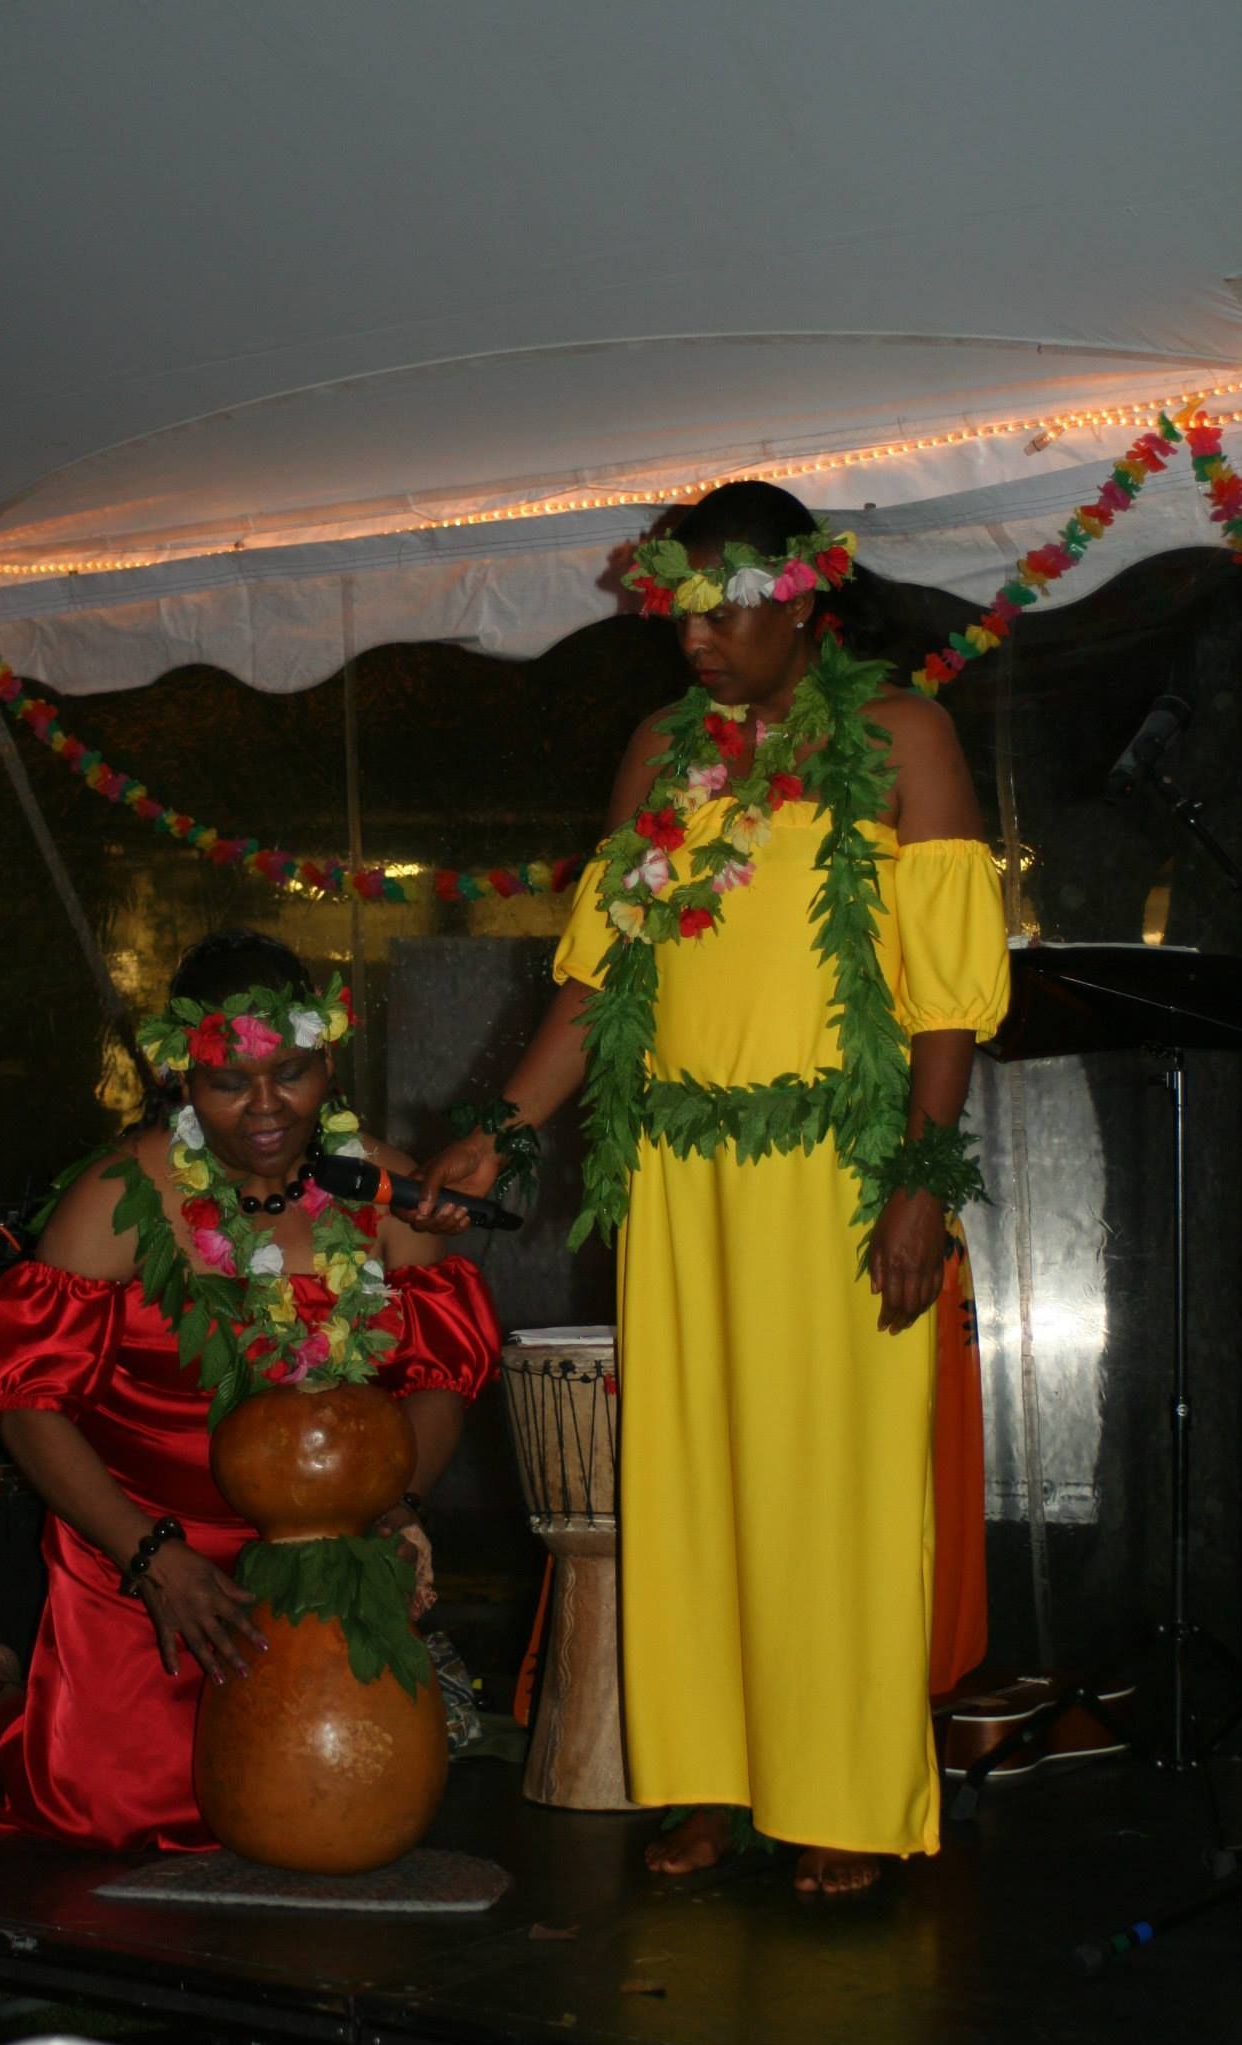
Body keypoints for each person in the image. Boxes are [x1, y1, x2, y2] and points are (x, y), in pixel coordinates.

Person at [416, 483, 1009, 1895]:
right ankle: (710, 1775)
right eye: (676, 610)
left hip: (839, 1166)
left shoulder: (901, 736)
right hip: (681, 1170)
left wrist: (916, 1185)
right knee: (688, 1483)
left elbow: (946, 998)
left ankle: (845, 1798)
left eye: (721, 609)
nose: (693, 639)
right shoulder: (657, 757)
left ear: (801, 598)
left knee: (832, 1487)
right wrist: (498, 1129)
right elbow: (600, 974)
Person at [0, 929, 499, 1855]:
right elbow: (29, 1408)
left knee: (339, 1797)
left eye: (290, 1072)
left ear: (326, 1059)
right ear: (181, 1079)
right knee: (117, 1813)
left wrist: (397, 1511)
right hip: (139, 1550)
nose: (265, 1106)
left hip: (319, 1545)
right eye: (227, 1081)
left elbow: (438, 1376)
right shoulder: (120, 1196)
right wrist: (154, 1560)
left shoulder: (375, 1184)